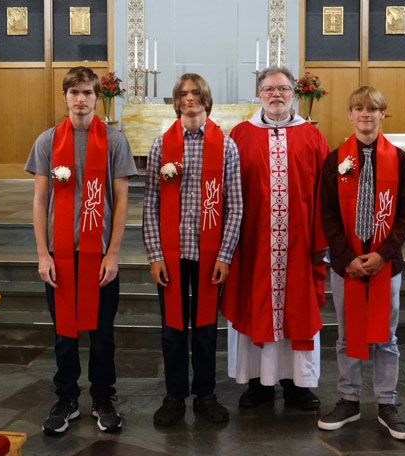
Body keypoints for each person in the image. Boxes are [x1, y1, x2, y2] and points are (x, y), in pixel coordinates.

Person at [25, 66, 137, 435]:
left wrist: (113, 253)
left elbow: (121, 200)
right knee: (64, 333)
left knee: (102, 333)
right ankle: (67, 396)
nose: (81, 99)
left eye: (88, 93)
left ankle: (103, 397)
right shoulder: (46, 141)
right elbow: (40, 201)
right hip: (60, 255)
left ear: (97, 97)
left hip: (99, 255)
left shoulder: (115, 141)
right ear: (65, 97)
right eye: (74, 93)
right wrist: (43, 254)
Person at [220, 66, 329, 410]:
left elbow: (325, 194)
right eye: (269, 89)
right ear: (259, 94)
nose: (276, 95)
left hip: (299, 245)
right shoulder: (240, 134)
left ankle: (297, 384)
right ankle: (257, 384)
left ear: (294, 92)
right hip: (254, 245)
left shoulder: (312, 137)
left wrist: (320, 242)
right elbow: (226, 191)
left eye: (282, 88)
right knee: (255, 308)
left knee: (298, 310)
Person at [143, 73, 243, 426]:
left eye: (196, 92)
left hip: (208, 254)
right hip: (171, 253)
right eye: (183, 93)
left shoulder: (226, 145)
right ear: (177, 100)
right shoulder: (161, 146)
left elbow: (235, 205)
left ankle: (205, 394)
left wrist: (224, 255)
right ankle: (173, 397)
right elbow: (151, 203)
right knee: (172, 329)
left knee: (203, 330)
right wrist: (155, 254)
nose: (189, 98)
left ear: (206, 98)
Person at [318, 86, 405, 440]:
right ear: (349, 114)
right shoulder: (335, 160)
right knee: (347, 336)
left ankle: (387, 402)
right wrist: (346, 258)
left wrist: (382, 254)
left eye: (372, 109)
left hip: (386, 264)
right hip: (347, 265)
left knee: (386, 337)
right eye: (358, 108)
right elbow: (327, 214)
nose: (365, 114)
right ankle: (348, 398)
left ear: (382, 114)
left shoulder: (400, 161)